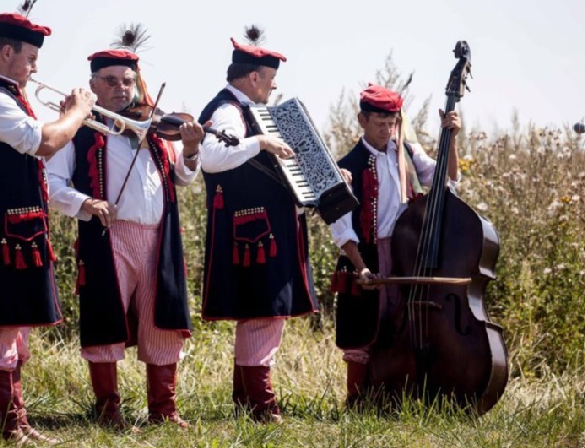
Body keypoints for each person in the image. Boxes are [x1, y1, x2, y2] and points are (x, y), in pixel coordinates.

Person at [0, 10, 95, 443]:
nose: (36, 67)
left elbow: (38, 154)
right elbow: (46, 141)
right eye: (31, 57)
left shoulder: (7, 96)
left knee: (15, 327)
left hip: (19, 229)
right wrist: (78, 112)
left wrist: (65, 120)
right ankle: (7, 427)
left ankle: (18, 423)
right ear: (7, 50)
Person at [47, 49, 205, 430]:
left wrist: (192, 148)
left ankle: (164, 411)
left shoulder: (151, 129)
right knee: (105, 319)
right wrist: (86, 201)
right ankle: (108, 412)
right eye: (111, 81)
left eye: (128, 81)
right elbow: (51, 184)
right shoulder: (78, 128)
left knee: (162, 322)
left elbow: (183, 177)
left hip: (159, 238)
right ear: (93, 86)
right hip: (110, 236)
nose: (121, 89)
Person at [197, 34, 318, 423]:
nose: (274, 85)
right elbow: (212, 158)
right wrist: (261, 141)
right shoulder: (228, 110)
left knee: (263, 312)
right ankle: (262, 405)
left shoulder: (246, 109)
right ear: (252, 77)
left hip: (264, 226)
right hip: (252, 230)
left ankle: (245, 399)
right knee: (264, 312)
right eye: (269, 78)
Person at [329, 83, 461, 408]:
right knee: (363, 328)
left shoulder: (409, 155)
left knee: (403, 323)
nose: (386, 130)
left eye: (392, 123)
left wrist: (451, 139)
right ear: (362, 120)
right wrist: (361, 266)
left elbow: (448, 180)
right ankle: (357, 401)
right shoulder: (347, 166)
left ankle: (397, 396)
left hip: (405, 254)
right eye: (379, 123)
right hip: (366, 253)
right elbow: (341, 227)